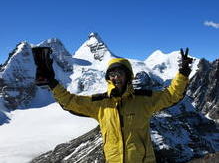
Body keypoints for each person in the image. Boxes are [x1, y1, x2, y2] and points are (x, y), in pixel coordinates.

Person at [32, 47, 193, 163]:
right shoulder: (100, 104)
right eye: (112, 74)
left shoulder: (143, 100)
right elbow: (71, 102)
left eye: (120, 73)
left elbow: (171, 95)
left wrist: (183, 73)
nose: (116, 78)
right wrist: (53, 83)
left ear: (128, 76)